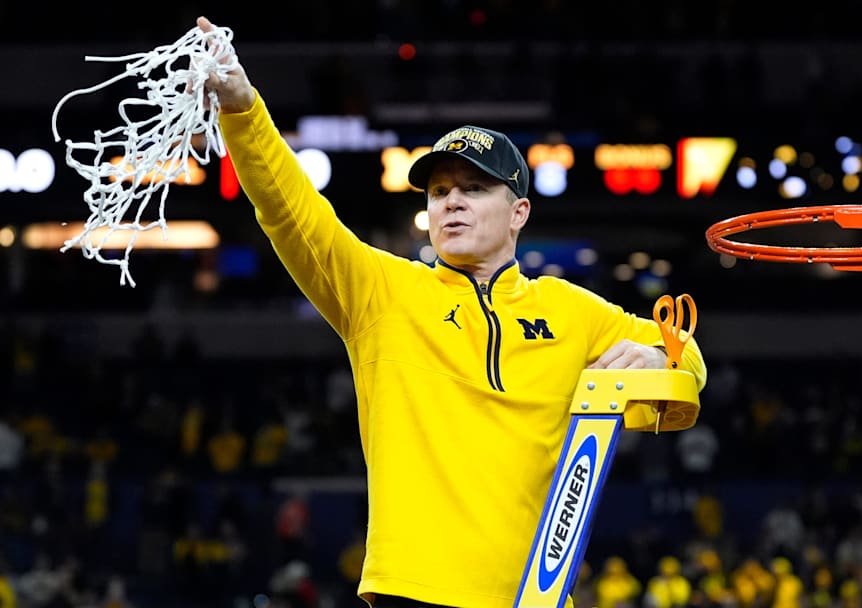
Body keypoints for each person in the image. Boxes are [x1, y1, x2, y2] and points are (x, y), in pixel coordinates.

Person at [195, 15, 707, 608]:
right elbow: (292, 214)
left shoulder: (572, 310)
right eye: (439, 192)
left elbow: (686, 373)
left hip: (536, 598)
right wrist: (243, 109)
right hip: (412, 594)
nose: (452, 202)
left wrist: (659, 356)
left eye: (474, 188)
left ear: (518, 212)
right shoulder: (382, 293)